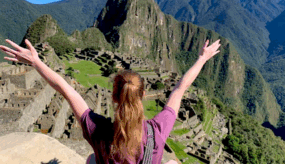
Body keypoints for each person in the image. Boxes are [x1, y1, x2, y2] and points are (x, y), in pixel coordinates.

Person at [0, 38, 221, 164]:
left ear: (114, 97)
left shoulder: (98, 130)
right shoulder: (157, 130)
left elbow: (67, 91)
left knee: (90, 161)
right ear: (143, 95)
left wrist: (36, 62)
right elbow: (180, 88)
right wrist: (203, 58)